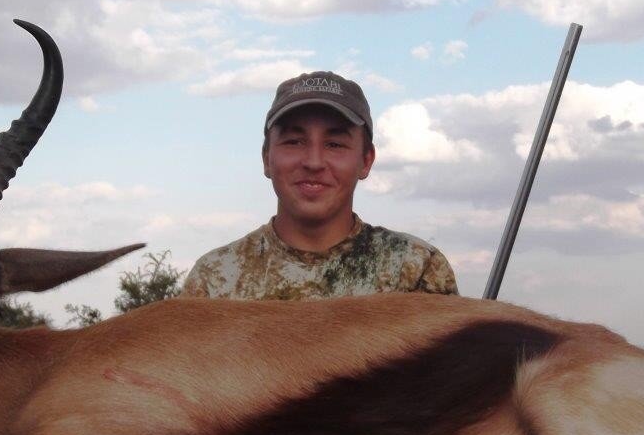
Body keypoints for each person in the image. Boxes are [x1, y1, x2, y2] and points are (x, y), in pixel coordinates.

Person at [181, 70, 458, 300]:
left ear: (366, 161)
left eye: (335, 144)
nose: (313, 162)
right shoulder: (212, 281)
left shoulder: (416, 270)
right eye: (294, 141)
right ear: (267, 158)